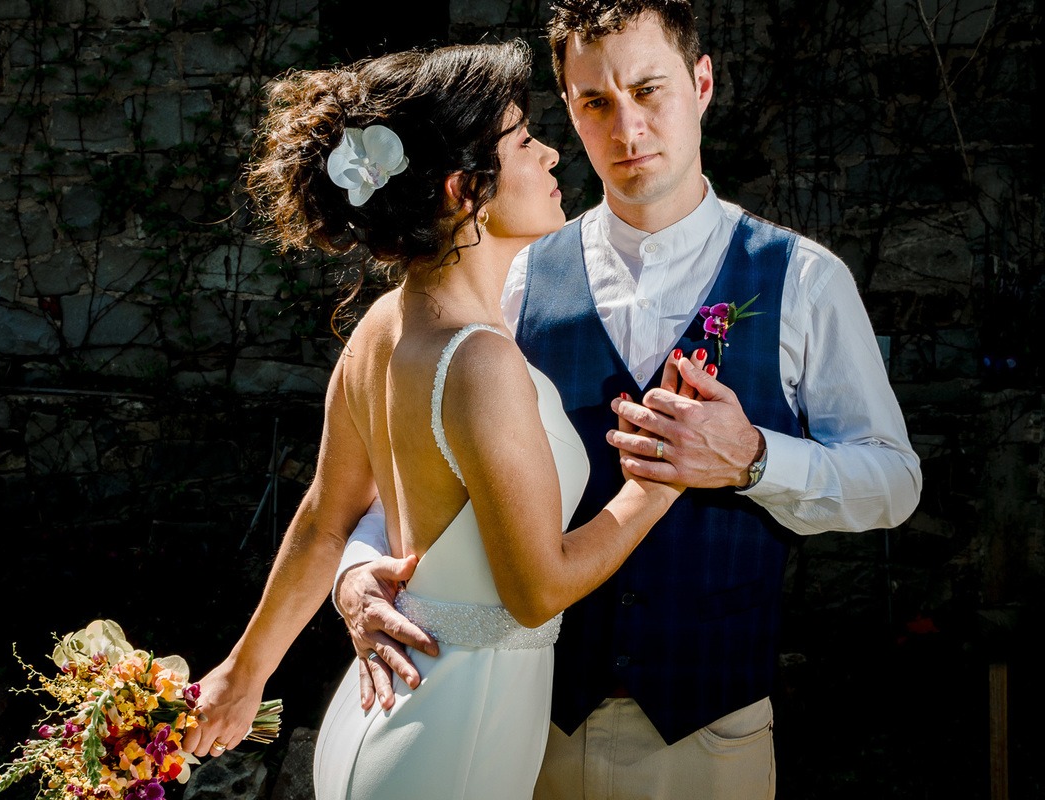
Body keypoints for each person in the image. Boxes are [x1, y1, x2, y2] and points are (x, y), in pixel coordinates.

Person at [333, 2, 924, 798]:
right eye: (595, 103)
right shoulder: (511, 274)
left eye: (650, 91)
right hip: (525, 727)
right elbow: (420, 464)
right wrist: (359, 568)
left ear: (702, 82)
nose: (628, 129)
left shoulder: (806, 280)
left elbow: (893, 482)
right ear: (569, 111)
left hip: (711, 735)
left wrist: (754, 460)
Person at [182, 40, 719, 800]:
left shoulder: (380, 329)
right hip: (451, 743)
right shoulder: (480, 363)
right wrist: (657, 485)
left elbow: (324, 523)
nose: (552, 157)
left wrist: (244, 673)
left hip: (378, 725)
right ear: (467, 187)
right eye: (527, 142)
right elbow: (538, 591)